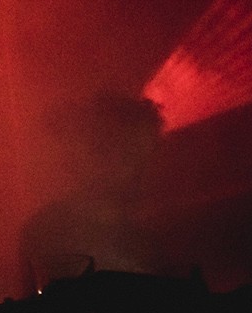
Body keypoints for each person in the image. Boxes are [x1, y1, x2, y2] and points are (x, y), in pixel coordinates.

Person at [17, 91, 170, 294]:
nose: (138, 168)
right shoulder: (47, 233)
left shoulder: (150, 242)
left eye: (145, 155)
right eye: (127, 153)